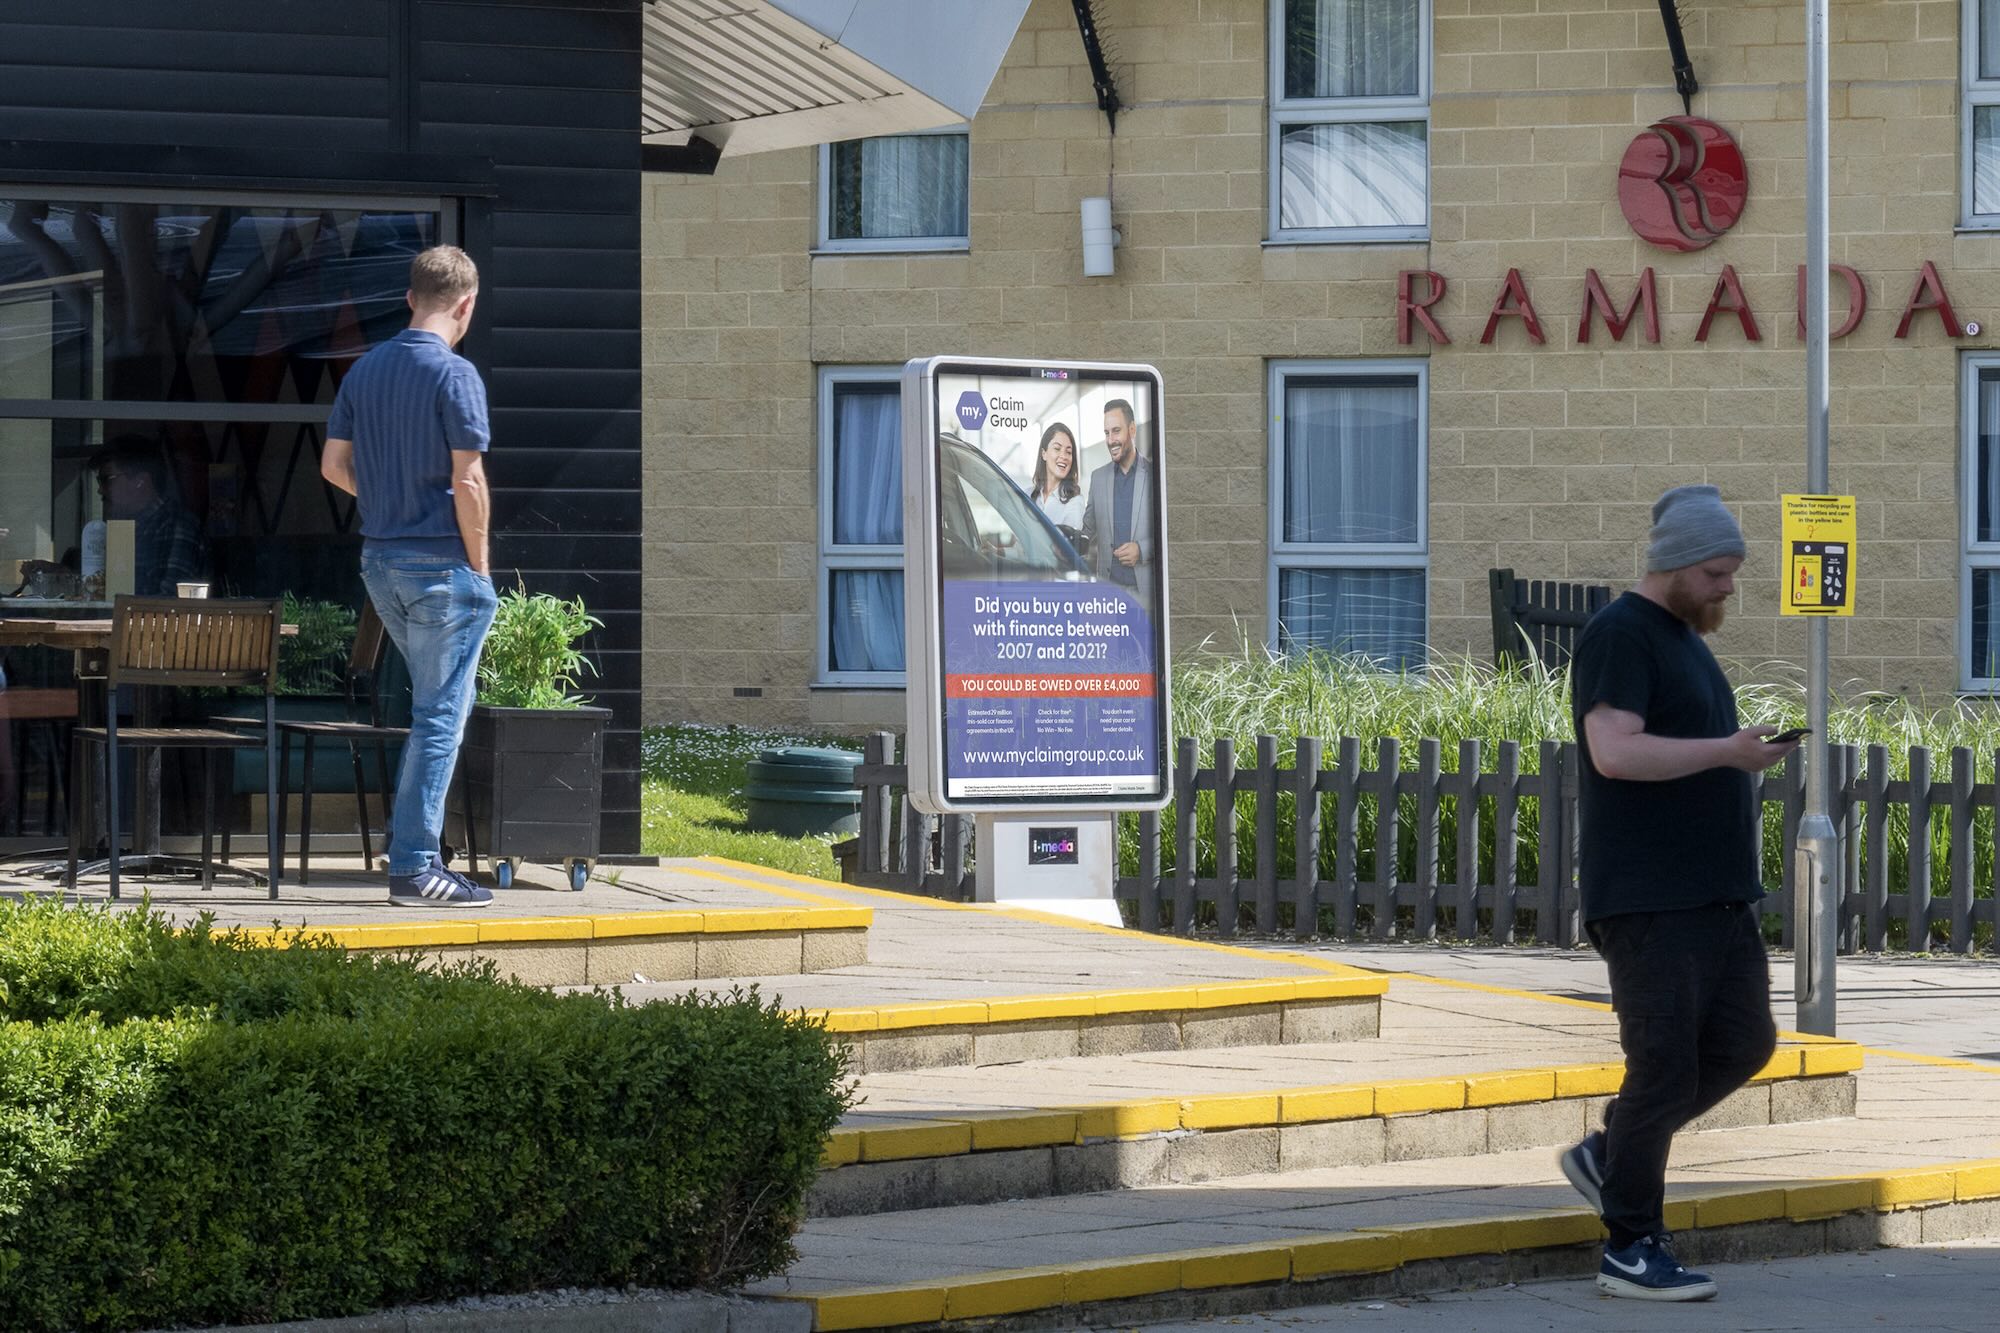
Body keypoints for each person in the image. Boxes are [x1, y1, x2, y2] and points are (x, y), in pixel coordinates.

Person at [1558, 484, 1799, 1302]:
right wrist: (1727, 753)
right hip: (1652, 897)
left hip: (1716, 895)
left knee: (1743, 1044)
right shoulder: (1621, 634)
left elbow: (1683, 743)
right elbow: (1615, 752)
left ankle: (1609, 1155)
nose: (1730, 586)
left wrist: (1734, 748)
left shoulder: (1686, 638)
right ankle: (1630, 1244)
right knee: (1661, 1066)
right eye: (1719, 572)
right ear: (1678, 566)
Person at [320, 245, 498, 909]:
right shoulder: (455, 376)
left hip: (381, 562)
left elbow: (333, 467)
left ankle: (418, 858)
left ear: (408, 298)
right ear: (466, 305)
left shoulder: (364, 372)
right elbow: (469, 478)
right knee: (439, 717)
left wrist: (385, 500)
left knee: (431, 709)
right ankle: (417, 867)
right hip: (442, 566)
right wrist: (478, 565)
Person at [90, 436, 206, 597]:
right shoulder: (122, 528)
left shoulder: (176, 525)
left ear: (140, 481)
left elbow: (169, 601)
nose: (100, 490)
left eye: (106, 480)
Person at [1080, 398, 1155, 612]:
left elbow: (1168, 532)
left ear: (1132, 430)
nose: (1111, 440)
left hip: (1144, 594)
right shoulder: (1098, 478)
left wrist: (1141, 550)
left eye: (1116, 431)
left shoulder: (1153, 475)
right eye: (1106, 433)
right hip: (1107, 595)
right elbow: (1087, 531)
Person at [1029, 422, 1085, 540]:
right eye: (1057, 449)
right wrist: (1001, 552)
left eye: (1068, 452)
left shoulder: (1075, 502)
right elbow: (1020, 547)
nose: (1064, 456)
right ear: (1044, 454)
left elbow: (1065, 549)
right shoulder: (1028, 495)